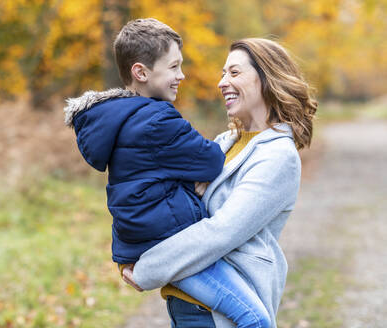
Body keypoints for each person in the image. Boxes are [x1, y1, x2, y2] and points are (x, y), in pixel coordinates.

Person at [64, 20, 276, 327]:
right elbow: (211, 162)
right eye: (174, 67)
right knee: (257, 320)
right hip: (176, 247)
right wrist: (207, 163)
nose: (182, 75)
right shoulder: (156, 120)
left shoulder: (120, 119)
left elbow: (142, 183)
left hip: (146, 241)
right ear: (142, 72)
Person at [122, 37, 317, 328]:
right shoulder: (224, 144)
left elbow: (221, 231)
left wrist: (147, 268)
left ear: (266, 78)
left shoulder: (278, 155)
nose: (222, 82)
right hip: (187, 304)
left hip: (218, 316)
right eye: (223, 73)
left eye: (234, 73)